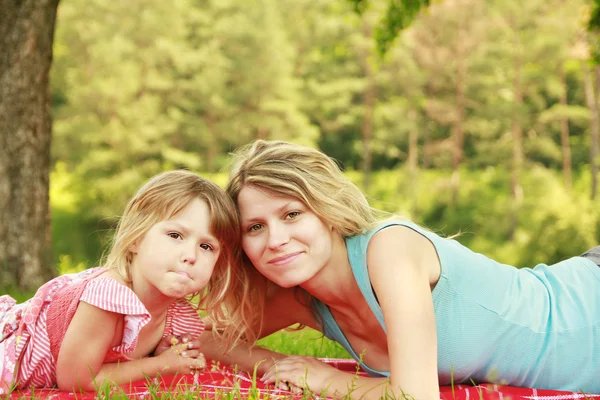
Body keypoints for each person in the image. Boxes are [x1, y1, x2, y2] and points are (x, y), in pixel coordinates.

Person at [211, 139, 600, 400]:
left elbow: (415, 395)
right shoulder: (302, 299)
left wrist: (326, 378)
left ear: (326, 211)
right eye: (255, 227)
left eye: (292, 214)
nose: (275, 239)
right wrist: (284, 366)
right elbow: (197, 339)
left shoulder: (389, 250)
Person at [0, 170, 246, 394]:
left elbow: (112, 361)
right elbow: (75, 380)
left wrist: (160, 353)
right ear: (136, 239)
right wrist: (160, 364)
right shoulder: (108, 297)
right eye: (175, 235)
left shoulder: (174, 315)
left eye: (206, 246)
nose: (190, 256)